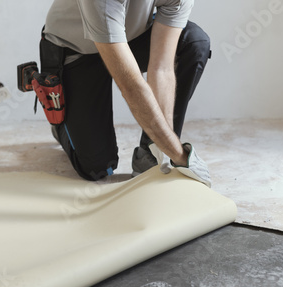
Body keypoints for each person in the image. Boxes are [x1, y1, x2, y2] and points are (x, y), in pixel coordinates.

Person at [42, 0, 212, 187]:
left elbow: (162, 69)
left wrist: (165, 148)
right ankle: (62, 125)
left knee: (194, 41)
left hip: (127, 38)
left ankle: (150, 153)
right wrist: (180, 155)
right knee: (95, 168)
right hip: (76, 49)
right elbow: (131, 86)